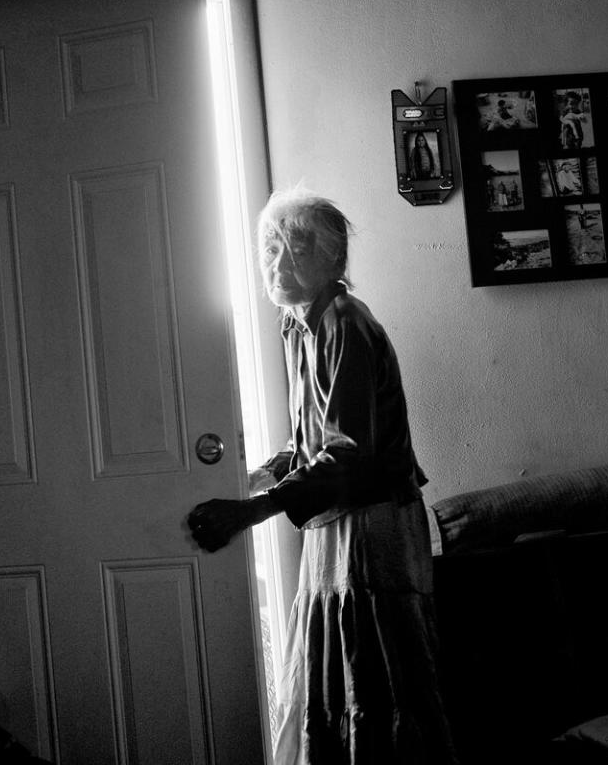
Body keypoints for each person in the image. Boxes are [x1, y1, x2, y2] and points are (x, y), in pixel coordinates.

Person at [187, 189, 458, 765]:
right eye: (269, 251)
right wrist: (258, 477)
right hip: (337, 516)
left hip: (373, 518)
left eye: (295, 250)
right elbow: (308, 440)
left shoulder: (343, 320)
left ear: (333, 261)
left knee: (375, 665)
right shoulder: (297, 326)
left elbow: (349, 453)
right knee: (335, 664)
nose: (278, 264)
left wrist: (251, 512)